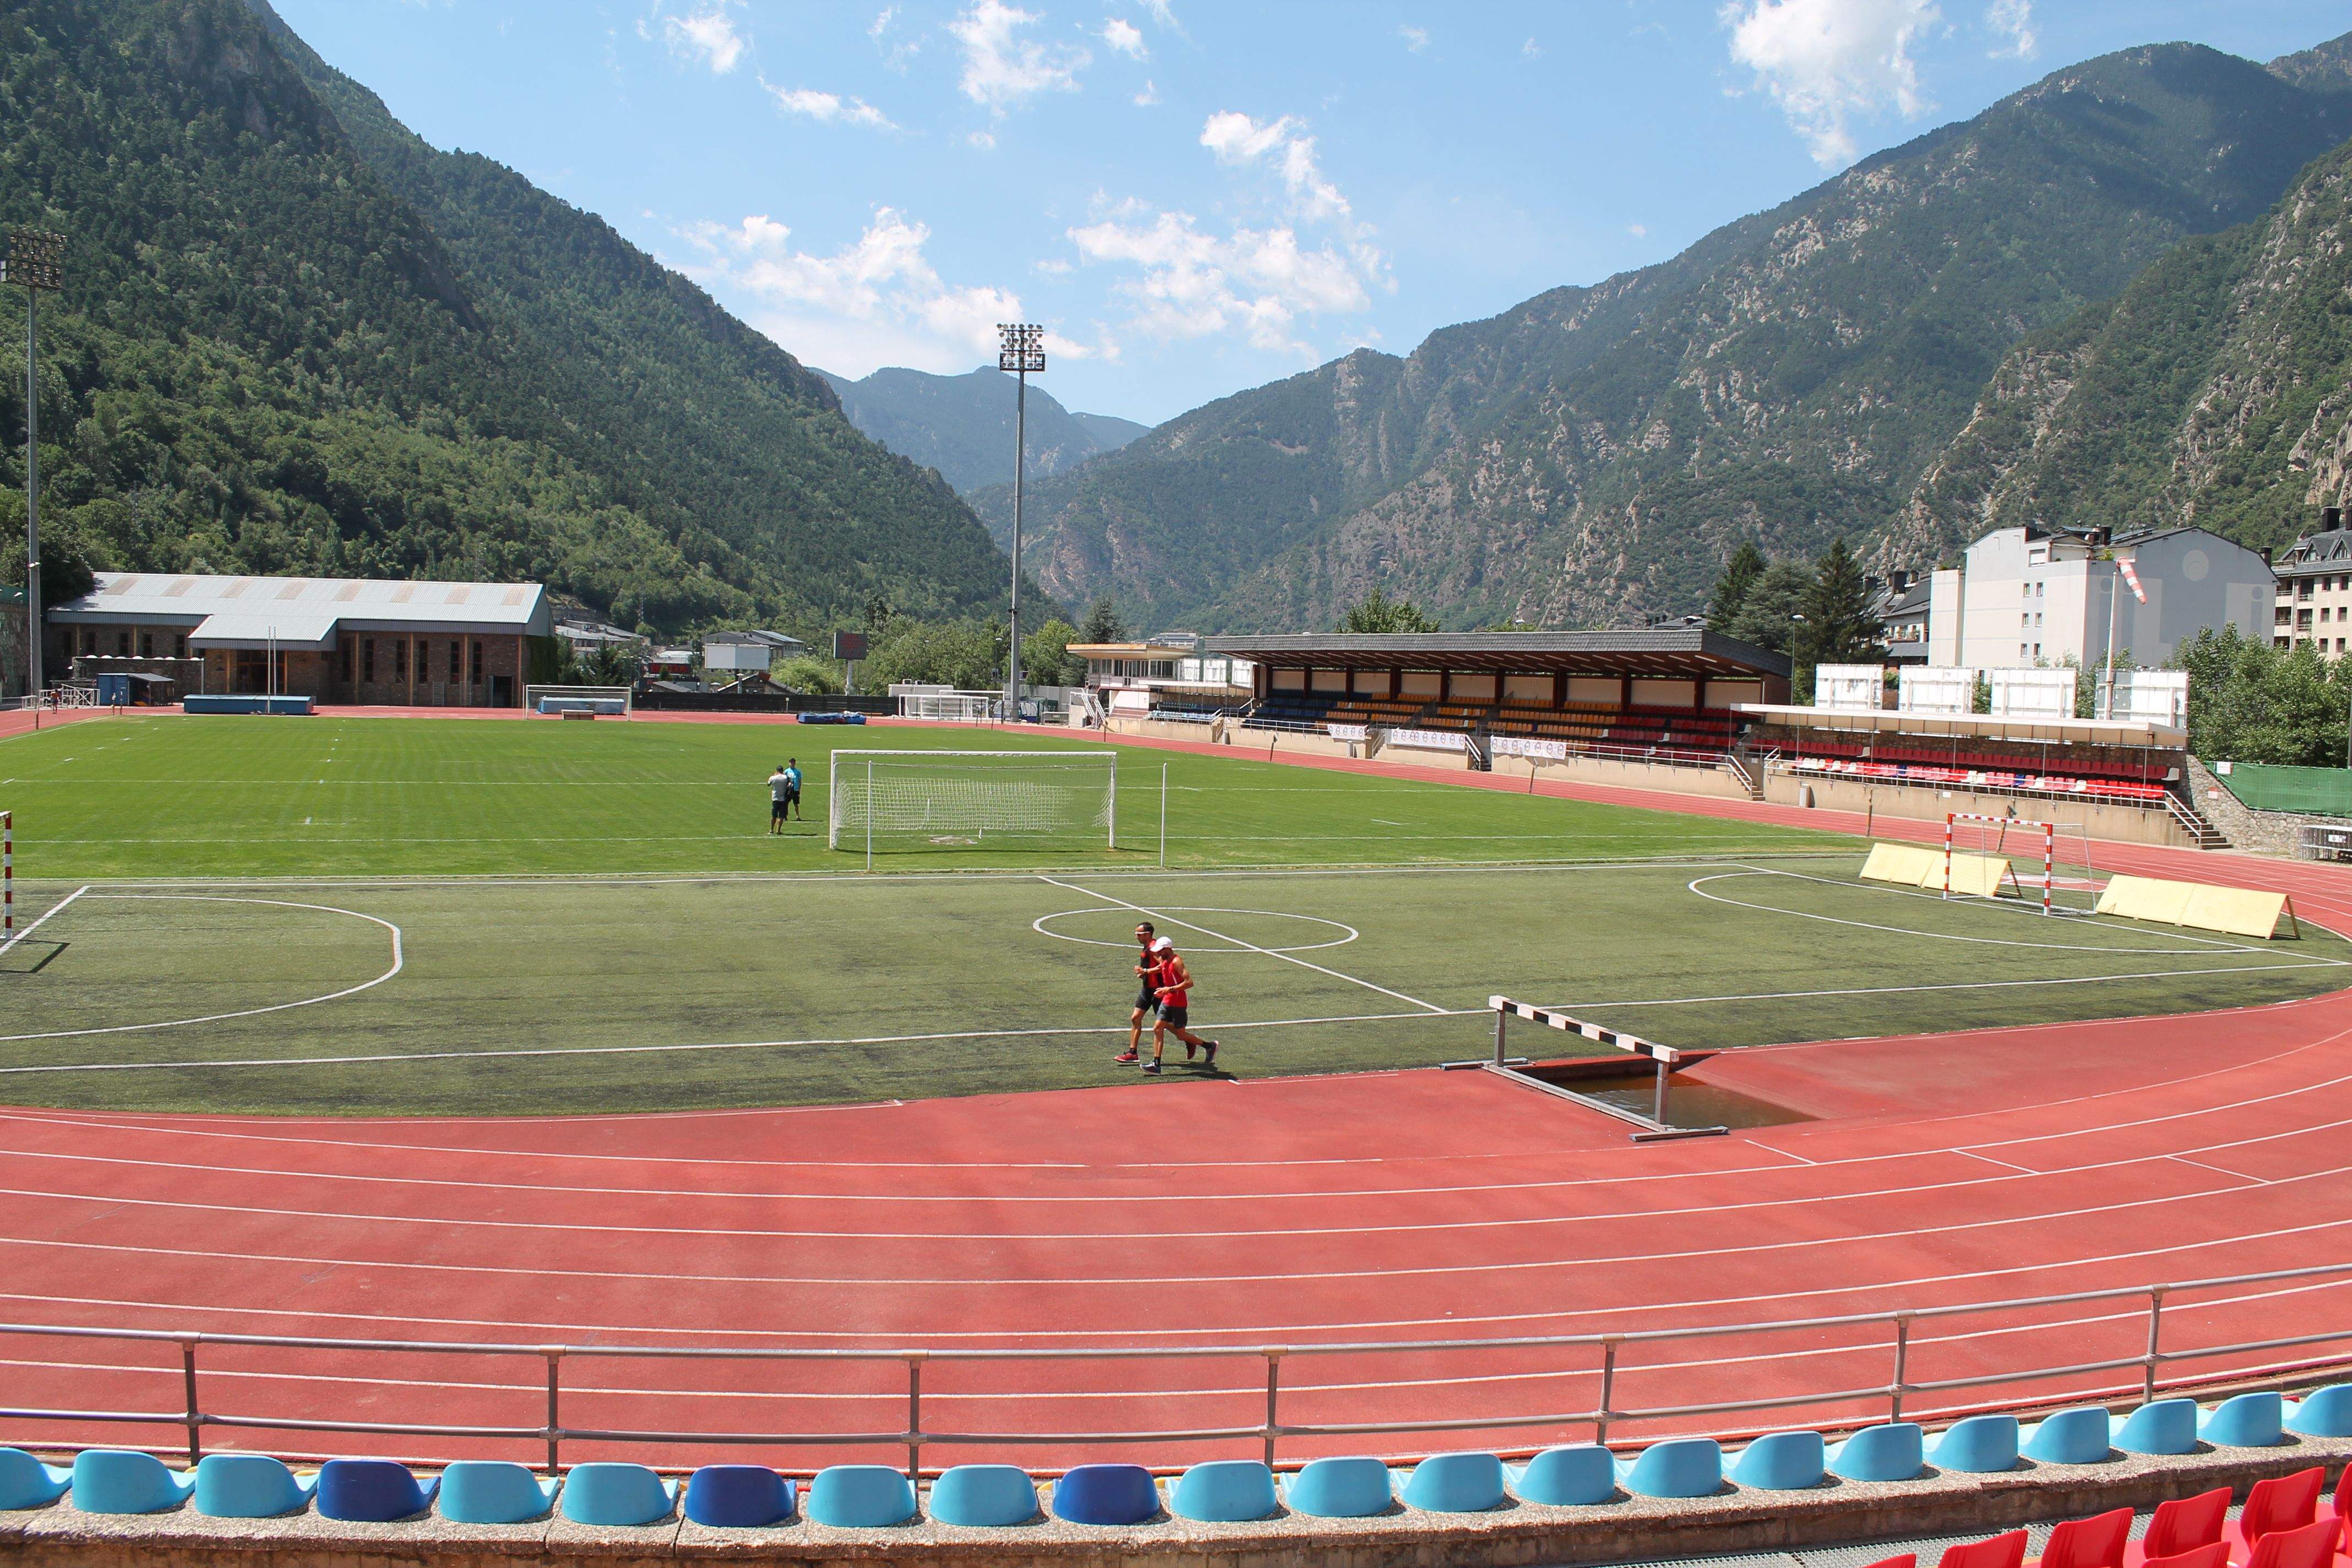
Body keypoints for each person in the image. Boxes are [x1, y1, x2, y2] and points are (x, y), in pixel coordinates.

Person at [1145, 939, 1217, 1075]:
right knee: (1157, 1028)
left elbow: (1189, 982)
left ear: (1167, 949)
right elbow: (1162, 968)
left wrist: (1170, 989)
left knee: (1181, 1035)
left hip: (1178, 1003)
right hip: (1167, 1001)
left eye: (1160, 951)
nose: (1158, 954)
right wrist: (1146, 972)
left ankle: (1209, 1046)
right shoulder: (1164, 960)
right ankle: (1156, 1065)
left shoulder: (1177, 961)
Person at [1113, 922, 1160, 1065]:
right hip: (1147, 989)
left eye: (1139, 934)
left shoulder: (1154, 948)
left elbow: (1164, 966)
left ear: (1147, 934)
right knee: (1135, 1018)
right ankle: (1132, 1053)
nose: (1136, 936)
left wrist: (1145, 972)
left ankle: (1200, 1044)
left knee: (1171, 1026)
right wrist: (1144, 974)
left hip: (1159, 990)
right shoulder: (1147, 946)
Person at [767, 763, 792, 834]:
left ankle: (771, 830)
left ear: (776, 770)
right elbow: (790, 784)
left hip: (775, 799)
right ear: (782, 771)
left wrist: (774, 776)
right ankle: (778, 830)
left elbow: (768, 784)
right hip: (783, 799)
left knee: (774, 816)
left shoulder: (773, 778)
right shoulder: (786, 778)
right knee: (781, 816)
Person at [781, 757, 804, 821]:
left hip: (795, 790)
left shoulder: (798, 772)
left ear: (795, 763)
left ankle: (798, 816)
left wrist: (799, 789)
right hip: (788, 789)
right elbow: (784, 780)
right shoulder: (786, 771)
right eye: (791, 762)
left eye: (793, 763)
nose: (792, 764)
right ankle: (785, 816)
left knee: (796, 804)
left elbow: (800, 781)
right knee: (786, 803)